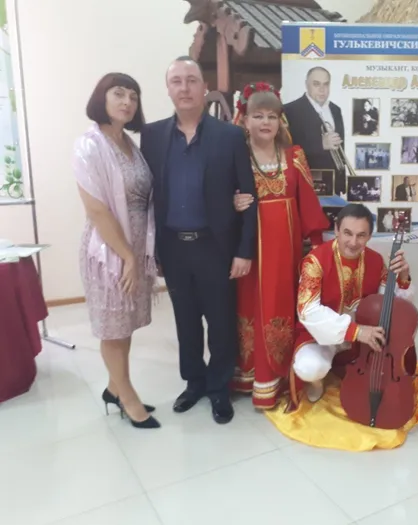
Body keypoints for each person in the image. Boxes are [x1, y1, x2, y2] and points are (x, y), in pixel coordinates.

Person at [139, 56, 257, 425]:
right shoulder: (152, 136)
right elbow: (148, 197)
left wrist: (244, 251)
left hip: (216, 247)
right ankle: (194, 382)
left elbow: (248, 196)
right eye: (176, 81)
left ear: (204, 87)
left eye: (192, 80)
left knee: (221, 323)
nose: (185, 87)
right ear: (168, 89)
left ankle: (219, 388)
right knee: (185, 321)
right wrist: (153, 251)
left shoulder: (230, 136)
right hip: (173, 247)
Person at [230, 82, 329, 409]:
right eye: (258, 115)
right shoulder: (236, 156)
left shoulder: (293, 155)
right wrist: (232, 202)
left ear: (280, 120)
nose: (265, 122)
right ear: (245, 120)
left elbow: (308, 203)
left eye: (272, 116)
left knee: (281, 304)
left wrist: (317, 249)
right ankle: (249, 376)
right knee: (248, 305)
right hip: (248, 250)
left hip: (285, 249)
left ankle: (280, 376)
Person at [74, 73, 159, 429]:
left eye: (133, 97)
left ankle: (114, 388)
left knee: (125, 325)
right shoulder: (89, 145)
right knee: (113, 328)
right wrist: (126, 256)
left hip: (135, 247)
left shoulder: (130, 145)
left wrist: (139, 254)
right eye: (119, 94)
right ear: (102, 98)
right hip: (108, 251)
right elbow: (96, 209)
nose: (127, 102)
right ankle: (127, 397)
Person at [288, 203, 414, 406]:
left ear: (369, 236)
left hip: (363, 339)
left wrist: (403, 277)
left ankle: (351, 366)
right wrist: (356, 331)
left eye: (361, 235)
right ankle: (318, 382)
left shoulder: (375, 260)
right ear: (336, 230)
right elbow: (308, 311)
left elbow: (390, 306)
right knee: (310, 368)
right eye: (347, 233)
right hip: (321, 336)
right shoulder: (315, 262)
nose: (353, 242)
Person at [284, 67, 346, 195]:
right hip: (306, 183)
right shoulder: (290, 110)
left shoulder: (335, 109)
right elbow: (286, 149)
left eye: (326, 84)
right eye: (316, 84)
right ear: (306, 84)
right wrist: (320, 144)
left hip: (334, 185)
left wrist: (341, 182)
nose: (322, 89)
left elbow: (340, 148)